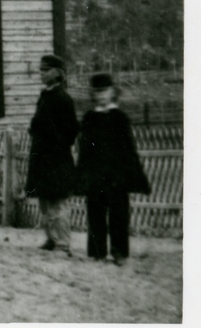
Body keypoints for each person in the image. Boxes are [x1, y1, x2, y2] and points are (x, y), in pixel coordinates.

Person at [77, 73, 150, 266]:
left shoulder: (120, 118)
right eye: (97, 92)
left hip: (117, 176)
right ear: (92, 94)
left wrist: (131, 175)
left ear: (113, 92)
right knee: (95, 213)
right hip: (95, 175)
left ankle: (120, 253)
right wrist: (83, 175)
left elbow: (129, 149)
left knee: (119, 215)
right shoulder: (89, 118)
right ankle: (97, 252)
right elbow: (84, 149)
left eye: (104, 91)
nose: (100, 95)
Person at [24, 54, 79, 255]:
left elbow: (71, 131)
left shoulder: (63, 99)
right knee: (45, 203)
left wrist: (54, 144)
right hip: (42, 158)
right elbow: (37, 123)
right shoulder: (45, 96)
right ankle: (51, 239)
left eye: (46, 70)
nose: (41, 74)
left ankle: (63, 243)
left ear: (57, 73)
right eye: (41, 70)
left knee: (58, 203)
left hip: (57, 160)